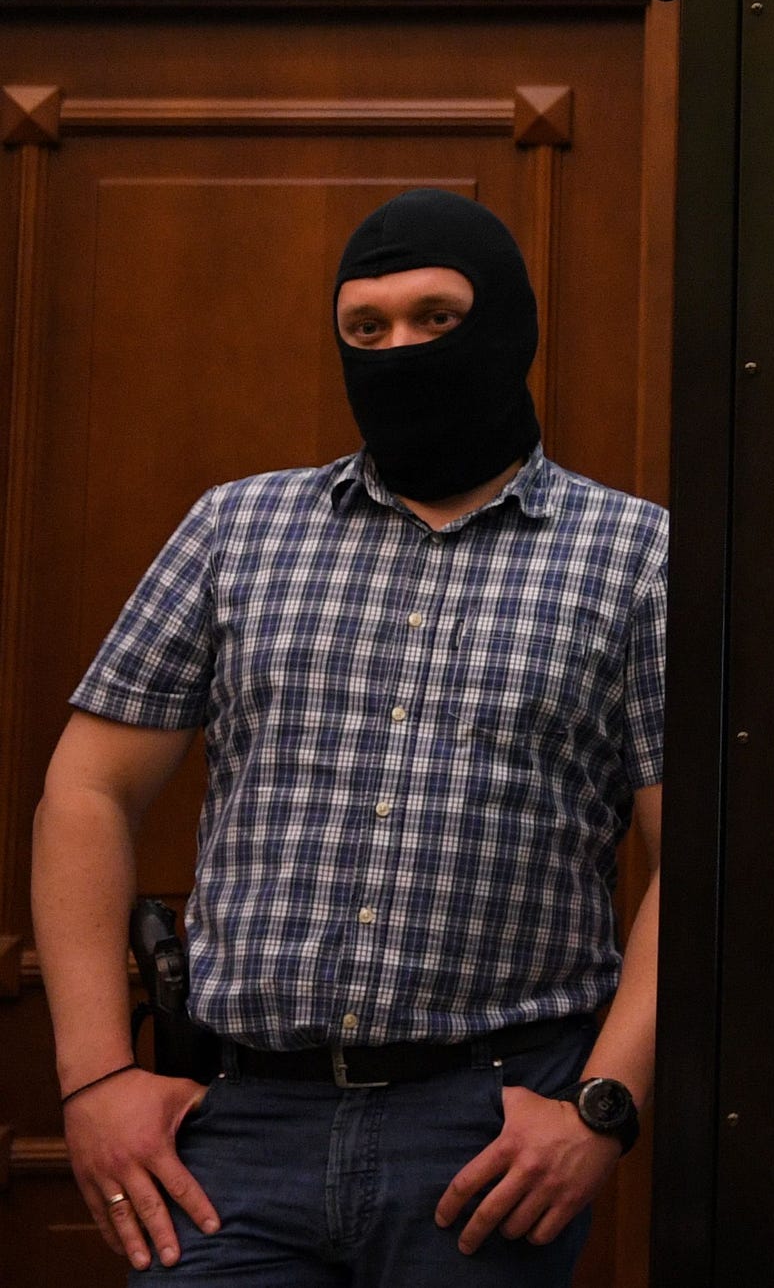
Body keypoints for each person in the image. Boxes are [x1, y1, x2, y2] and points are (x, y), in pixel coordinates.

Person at [30, 190, 666, 1285]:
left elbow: (698, 857)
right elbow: (86, 787)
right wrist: (94, 1080)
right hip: (237, 1128)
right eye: (365, 328)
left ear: (508, 323)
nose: (400, 349)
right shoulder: (237, 529)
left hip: (492, 1133)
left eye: (436, 317)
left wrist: (600, 1108)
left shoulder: (641, 556)